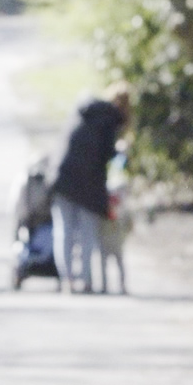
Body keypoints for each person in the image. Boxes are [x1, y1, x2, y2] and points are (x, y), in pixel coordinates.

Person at [48, 86, 131, 295]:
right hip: (88, 183)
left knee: (64, 231)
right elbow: (108, 155)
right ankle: (84, 280)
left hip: (61, 176)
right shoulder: (110, 120)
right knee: (87, 232)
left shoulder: (81, 109)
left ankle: (67, 279)